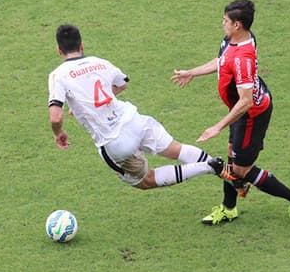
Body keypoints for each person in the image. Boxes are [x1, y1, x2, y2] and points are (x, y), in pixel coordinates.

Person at [171, 0, 290, 225]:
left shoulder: (243, 58)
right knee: (232, 156)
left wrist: (217, 126)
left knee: (240, 169)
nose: (222, 23)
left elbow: (246, 101)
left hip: (250, 116)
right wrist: (192, 73)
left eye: (225, 20)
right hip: (239, 111)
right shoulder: (233, 40)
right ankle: (229, 207)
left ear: (238, 25)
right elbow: (221, 60)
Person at [48, 24, 220, 190]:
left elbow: (56, 117)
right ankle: (228, 171)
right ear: (82, 45)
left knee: (146, 181)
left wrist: (58, 133)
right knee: (176, 149)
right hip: (134, 119)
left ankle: (210, 167)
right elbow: (122, 84)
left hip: (114, 141)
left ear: (59, 50)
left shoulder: (58, 75)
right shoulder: (100, 62)